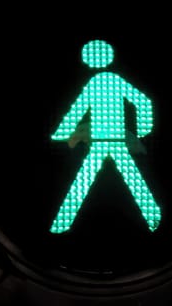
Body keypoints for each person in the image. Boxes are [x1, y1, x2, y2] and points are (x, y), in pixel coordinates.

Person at [50, 40, 161, 233]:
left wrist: (64, 132)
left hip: (101, 141)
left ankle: (62, 224)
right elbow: (143, 102)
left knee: (83, 180)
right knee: (131, 177)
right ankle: (153, 219)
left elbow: (77, 109)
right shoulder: (116, 81)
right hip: (116, 139)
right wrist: (144, 129)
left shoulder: (95, 83)